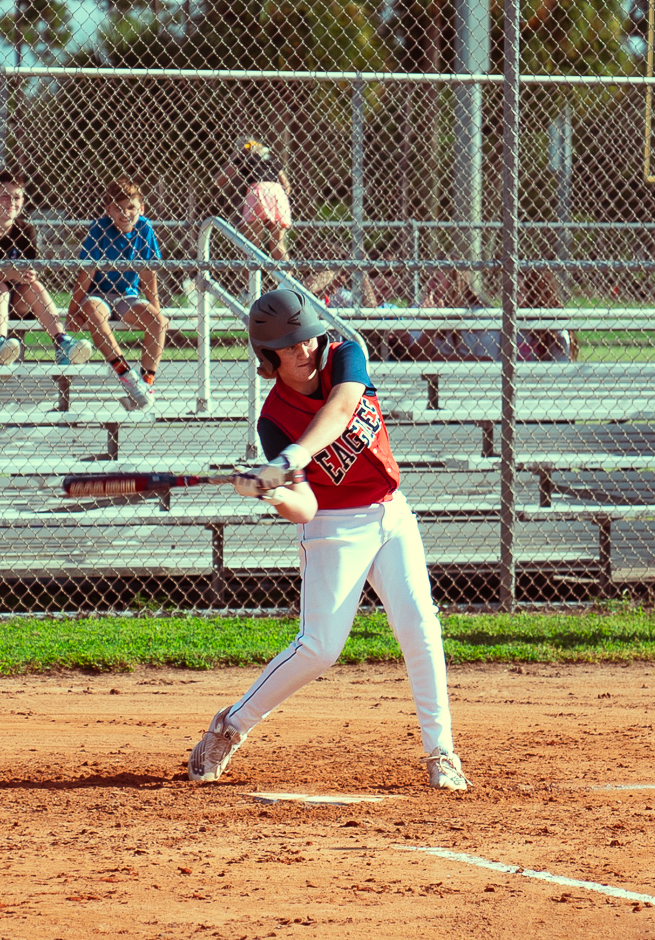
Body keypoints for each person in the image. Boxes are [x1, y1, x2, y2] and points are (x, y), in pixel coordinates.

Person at [185, 288, 466, 791]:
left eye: (309, 337)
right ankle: (229, 727)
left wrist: (290, 461)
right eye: (291, 346)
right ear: (269, 357)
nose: (306, 350)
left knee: (421, 628)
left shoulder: (344, 355)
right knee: (319, 648)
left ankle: (441, 753)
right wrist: (272, 493)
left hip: (391, 512)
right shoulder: (272, 420)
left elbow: (339, 411)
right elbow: (306, 506)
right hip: (334, 527)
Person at [66, 177, 167, 411]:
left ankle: (145, 385)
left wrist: (156, 311)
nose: (125, 213)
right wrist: (73, 311)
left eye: (131, 207)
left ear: (141, 208)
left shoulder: (144, 228)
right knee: (92, 309)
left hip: (126, 297)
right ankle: (126, 374)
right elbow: (86, 273)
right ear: (108, 209)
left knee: (158, 322)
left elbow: (148, 275)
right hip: (99, 294)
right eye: (118, 208)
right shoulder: (100, 228)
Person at [0, 171, 91, 368]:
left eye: (17, 197)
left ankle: (62, 343)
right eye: (5, 196)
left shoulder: (25, 230)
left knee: (34, 286)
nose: (11, 202)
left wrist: (28, 275)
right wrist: (9, 273)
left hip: (18, 301)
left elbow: (29, 270)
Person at [215, 136, 291, 262]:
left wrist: (232, 159)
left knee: (252, 245)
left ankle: (251, 280)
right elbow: (287, 187)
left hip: (258, 191)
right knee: (277, 245)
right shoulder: (271, 160)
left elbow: (219, 180)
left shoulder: (242, 158)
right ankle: (287, 278)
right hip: (278, 193)